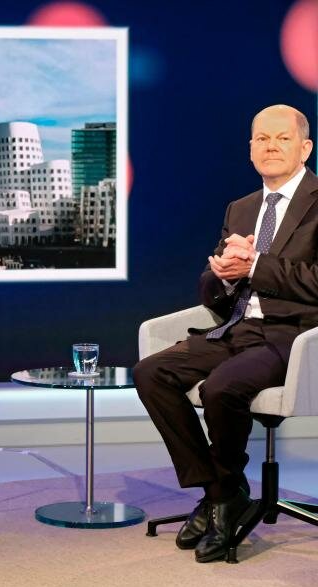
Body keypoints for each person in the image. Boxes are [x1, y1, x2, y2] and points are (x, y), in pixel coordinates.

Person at [134, 104, 316, 563]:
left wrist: (256, 266)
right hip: (235, 327)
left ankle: (221, 498)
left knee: (221, 388)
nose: (271, 147)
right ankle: (222, 492)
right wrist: (224, 275)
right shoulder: (242, 208)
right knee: (151, 373)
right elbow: (212, 292)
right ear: (250, 149)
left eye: (282, 138)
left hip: (292, 336)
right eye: (261, 139)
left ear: (305, 148)